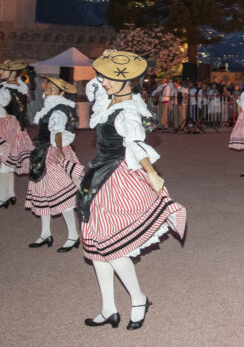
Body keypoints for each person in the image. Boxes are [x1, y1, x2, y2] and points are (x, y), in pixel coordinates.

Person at [79, 50, 186, 330]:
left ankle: (138, 299)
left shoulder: (128, 110)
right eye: (106, 77)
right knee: (97, 246)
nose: (105, 82)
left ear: (129, 83)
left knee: (113, 247)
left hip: (117, 178)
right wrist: (105, 61)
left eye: (113, 79)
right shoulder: (110, 102)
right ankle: (109, 308)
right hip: (99, 179)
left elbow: (135, 145)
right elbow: (94, 88)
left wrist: (152, 173)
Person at [25, 76, 82, 252]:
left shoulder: (59, 109)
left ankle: (73, 236)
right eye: (46, 89)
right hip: (43, 152)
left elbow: (57, 131)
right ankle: (45, 233)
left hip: (53, 153)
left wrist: (57, 150)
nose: (47, 91)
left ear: (61, 92)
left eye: (51, 89)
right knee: (42, 194)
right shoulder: (51, 107)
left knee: (62, 196)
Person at [0, 60, 32, 210]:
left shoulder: (5, 88)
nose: (0, 72)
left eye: (4, 70)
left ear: (12, 73)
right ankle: (10, 194)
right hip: (17, 126)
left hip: (5, 125)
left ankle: (3, 197)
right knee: (9, 162)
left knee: (2, 161)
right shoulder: (21, 87)